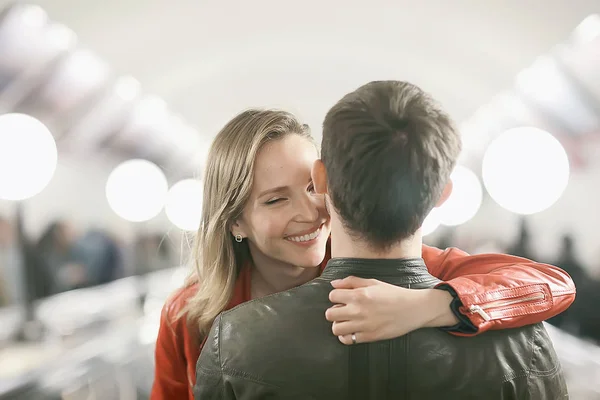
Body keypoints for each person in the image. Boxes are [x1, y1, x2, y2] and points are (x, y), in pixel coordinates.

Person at [152, 109, 575, 400]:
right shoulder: (185, 318)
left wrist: (432, 304)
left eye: (313, 187)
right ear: (235, 222)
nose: (310, 212)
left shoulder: (388, 265)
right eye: (275, 201)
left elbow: (551, 285)